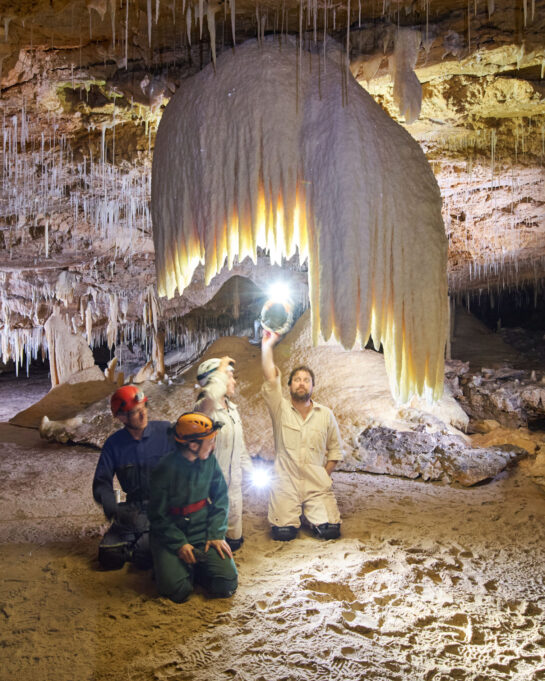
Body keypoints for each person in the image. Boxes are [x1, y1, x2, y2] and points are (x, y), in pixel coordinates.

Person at [261, 331, 344, 541]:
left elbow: (335, 450)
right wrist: (267, 346)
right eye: (296, 379)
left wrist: (323, 475)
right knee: (283, 534)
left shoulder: (325, 415)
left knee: (331, 532)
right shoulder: (280, 409)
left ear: (313, 387)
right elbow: (271, 377)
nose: (301, 383)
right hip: (285, 483)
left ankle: (313, 515)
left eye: (306, 380)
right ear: (289, 386)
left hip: (315, 484)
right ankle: (296, 515)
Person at [148, 412, 238, 603]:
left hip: (202, 531)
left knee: (226, 584)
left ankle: (194, 568)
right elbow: (157, 516)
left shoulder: (209, 461)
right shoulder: (164, 468)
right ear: (193, 445)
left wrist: (216, 534)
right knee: (177, 591)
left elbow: (221, 497)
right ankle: (171, 566)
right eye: (210, 442)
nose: (213, 446)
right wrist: (179, 543)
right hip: (171, 534)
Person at [92, 385, 172, 570]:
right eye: (136, 412)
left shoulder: (166, 432)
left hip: (164, 507)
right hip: (133, 509)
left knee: (145, 551)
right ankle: (142, 547)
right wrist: (113, 509)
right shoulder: (114, 444)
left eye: (144, 408)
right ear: (121, 417)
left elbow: (191, 456)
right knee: (108, 555)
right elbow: (102, 482)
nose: (143, 415)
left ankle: (144, 548)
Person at [194, 356, 252, 552]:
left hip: (234, 486)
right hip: (211, 490)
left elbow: (240, 445)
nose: (234, 381)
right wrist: (220, 370)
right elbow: (209, 397)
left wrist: (250, 471)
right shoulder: (204, 409)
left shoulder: (232, 410)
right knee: (213, 544)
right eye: (230, 376)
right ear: (215, 379)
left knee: (234, 541)